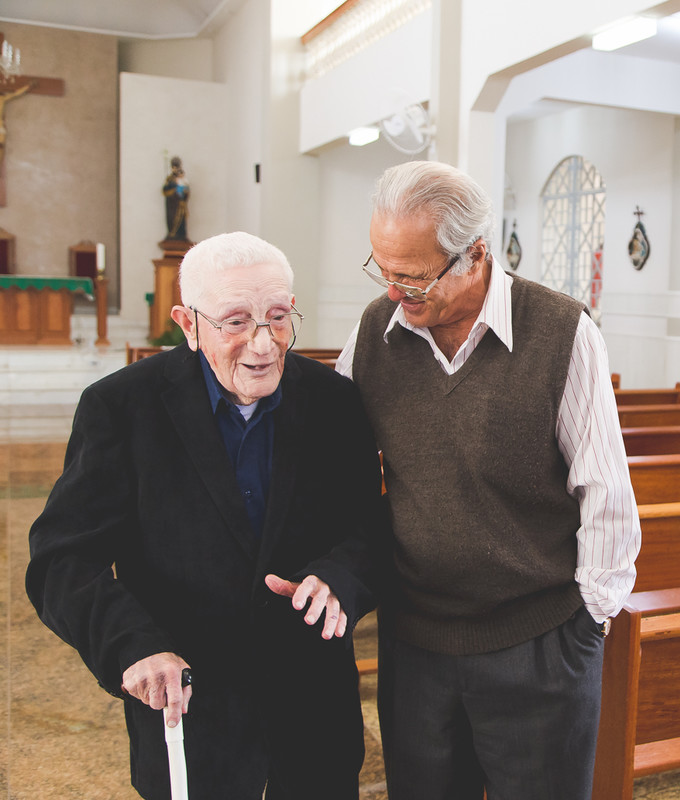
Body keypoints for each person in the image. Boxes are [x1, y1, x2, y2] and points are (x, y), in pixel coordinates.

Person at [27, 231, 388, 799]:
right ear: (188, 324)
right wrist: (131, 645)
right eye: (236, 321)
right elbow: (62, 560)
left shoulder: (334, 400)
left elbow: (372, 525)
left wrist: (342, 578)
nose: (264, 343)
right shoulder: (122, 408)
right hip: (192, 715)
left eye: (277, 316)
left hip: (313, 710)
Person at [336, 160, 641, 800]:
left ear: (475, 256)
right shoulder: (376, 333)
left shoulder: (561, 332)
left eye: (413, 279)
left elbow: (605, 490)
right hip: (416, 644)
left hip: (538, 644)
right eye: (382, 270)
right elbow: (321, 447)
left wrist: (587, 627)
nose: (394, 293)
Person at [163, 156, 190, 241]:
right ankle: (172, 233)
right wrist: (173, 189)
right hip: (172, 205)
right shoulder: (169, 179)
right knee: (172, 219)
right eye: (174, 167)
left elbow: (187, 190)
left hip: (180, 204)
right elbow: (165, 190)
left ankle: (181, 235)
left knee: (181, 220)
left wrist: (184, 193)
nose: (175, 169)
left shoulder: (182, 179)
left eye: (177, 167)